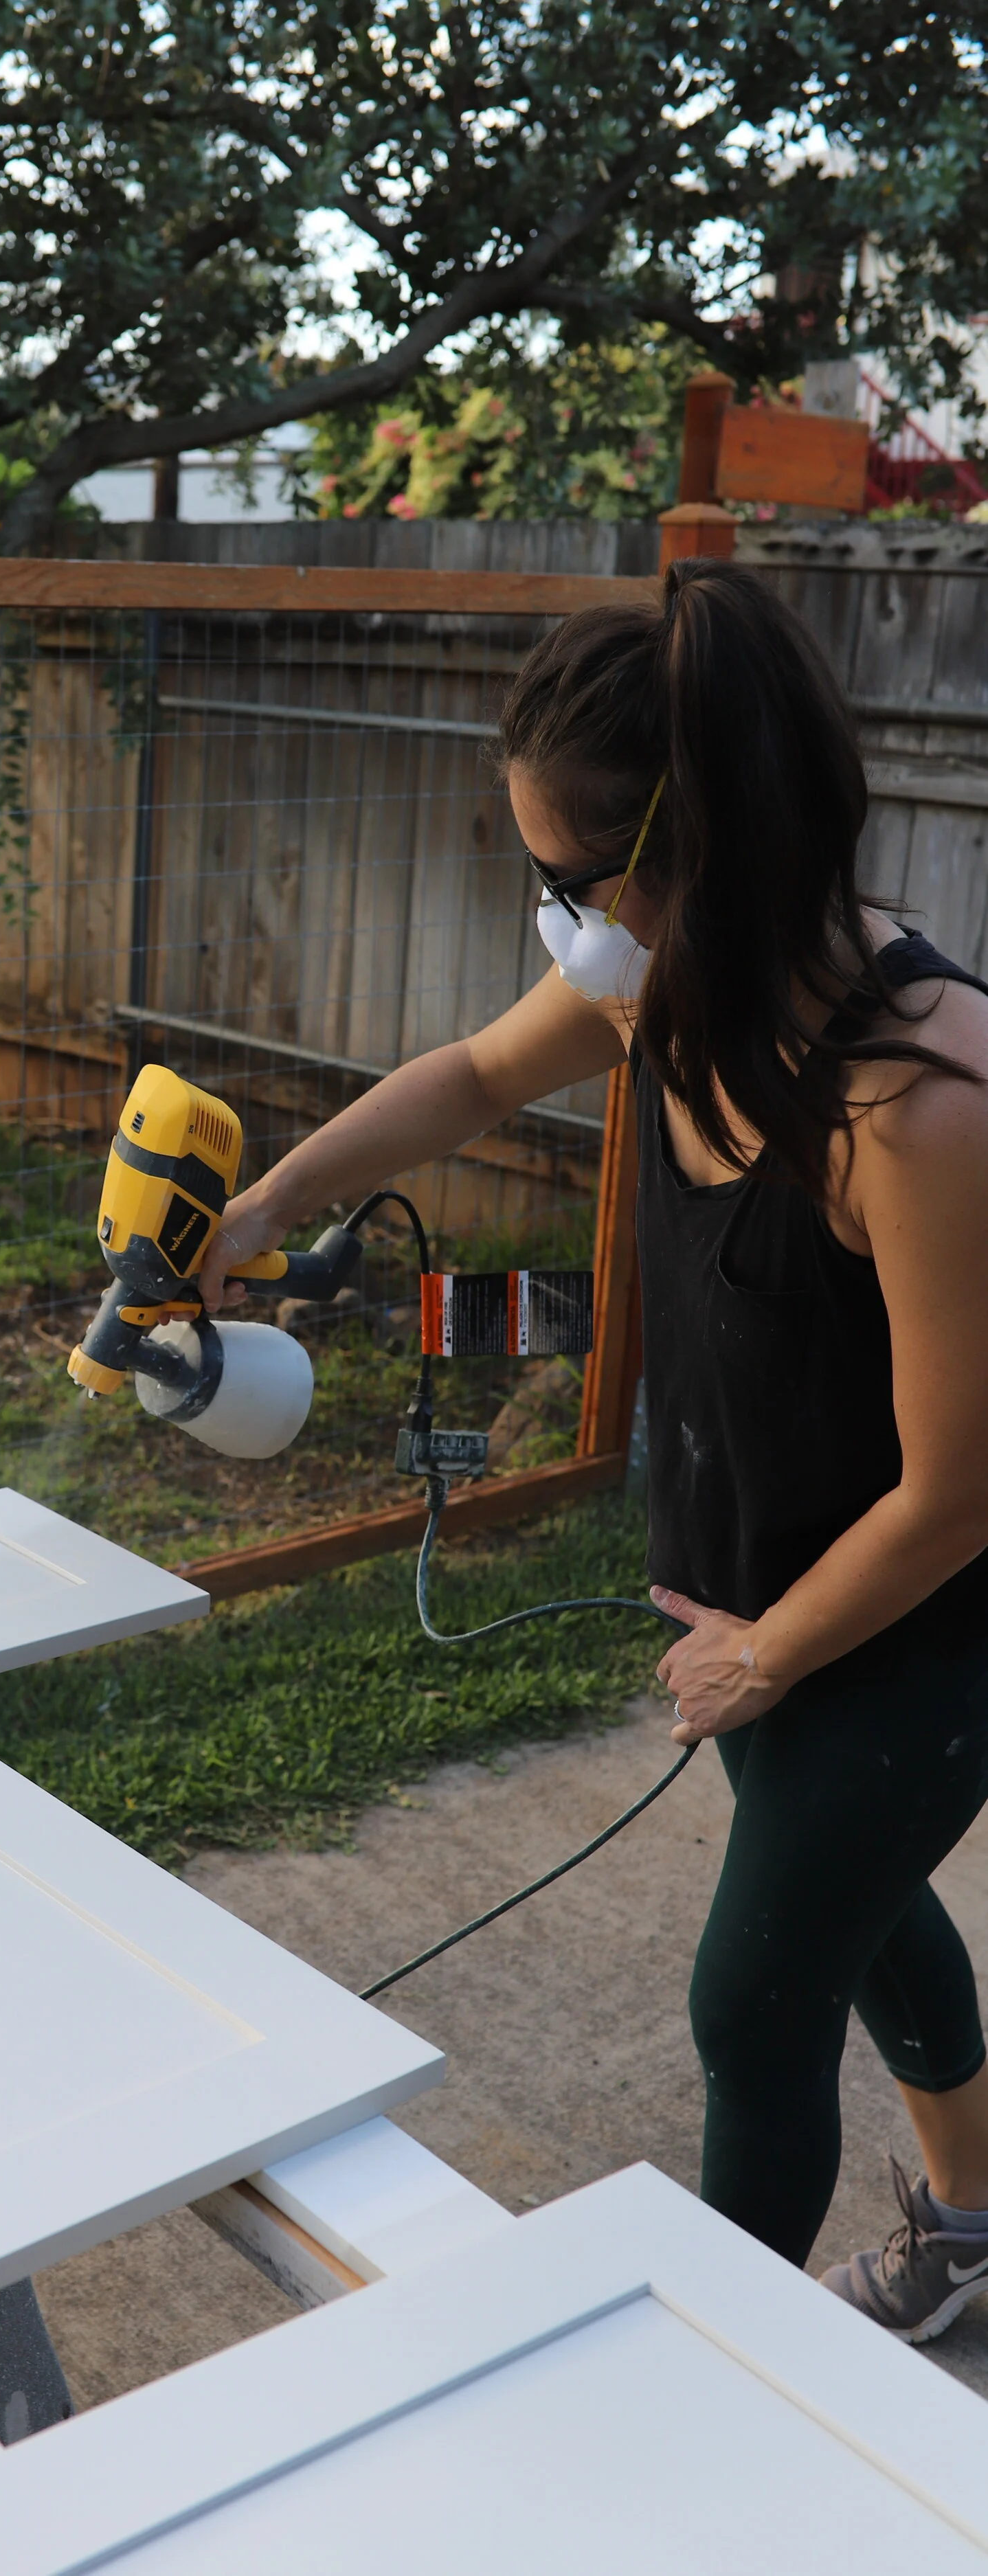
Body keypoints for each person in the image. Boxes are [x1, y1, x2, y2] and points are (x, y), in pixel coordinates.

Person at [195, 558, 988, 2343]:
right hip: (750, 1577)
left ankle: (713, 2381)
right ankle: (978, 2212)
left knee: (748, 2000)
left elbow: (956, 1491)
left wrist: (765, 1650)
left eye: (563, 882)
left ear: (693, 851)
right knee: (842, 1907)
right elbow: (474, 1074)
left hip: (908, 1632)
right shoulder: (661, 989)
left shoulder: (917, 1099)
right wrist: (271, 1202)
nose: (549, 923)